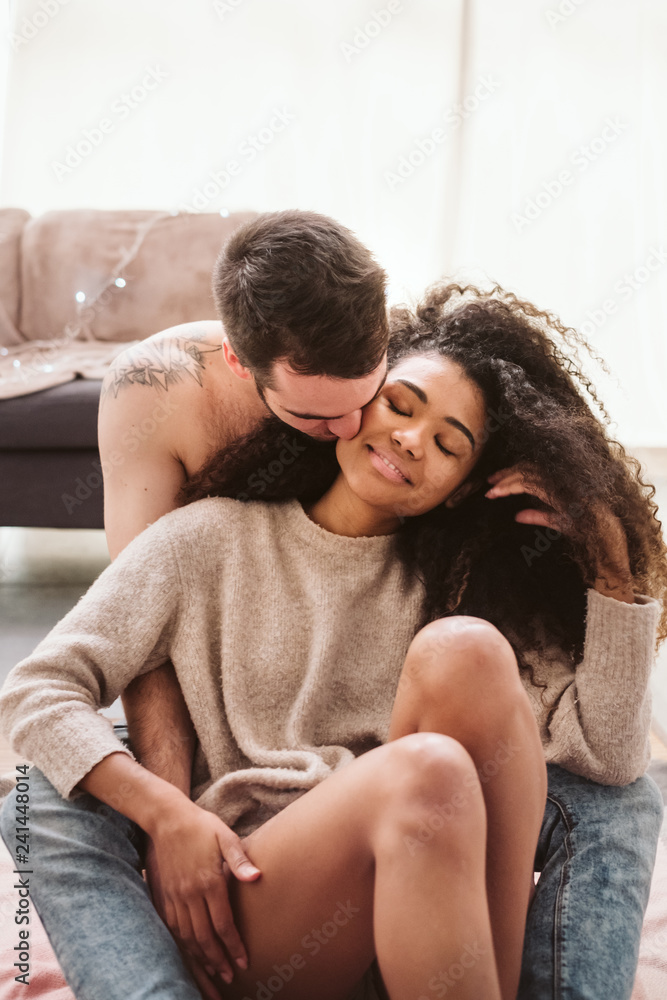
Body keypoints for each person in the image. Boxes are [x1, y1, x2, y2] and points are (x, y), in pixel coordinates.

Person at [1, 282, 665, 1000]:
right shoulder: (208, 537)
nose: (412, 439)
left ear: (461, 488)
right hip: (257, 909)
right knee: (426, 771)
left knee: (463, 651)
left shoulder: (467, 587)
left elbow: (609, 764)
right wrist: (170, 815)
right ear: (354, 407)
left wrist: (614, 568)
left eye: (447, 445)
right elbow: (35, 691)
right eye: (400, 406)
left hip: (419, 919)